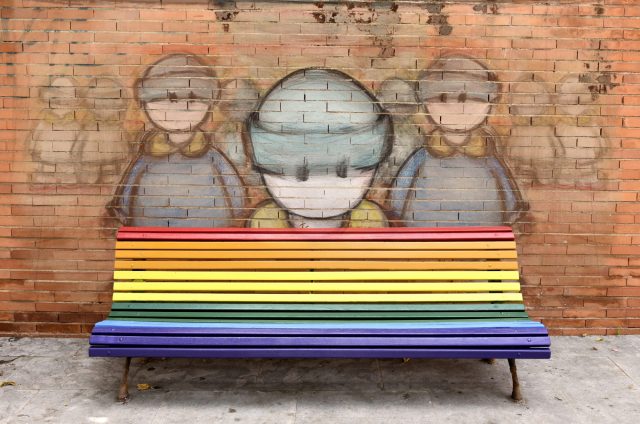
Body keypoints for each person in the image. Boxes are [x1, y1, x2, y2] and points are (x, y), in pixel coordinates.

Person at [108, 54, 245, 227]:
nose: (180, 108)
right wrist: (122, 209)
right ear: (146, 104)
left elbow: (234, 192)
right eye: (169, 100)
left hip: (209, 228)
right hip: (151, 229)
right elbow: (128, 191)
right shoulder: (147, 157)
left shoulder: (212, 157)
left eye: (192, 100)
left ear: (208, 105)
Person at [389, 55, 525, 227]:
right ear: (427, 103)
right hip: (424, 230)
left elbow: (506, 191)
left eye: (466, 98)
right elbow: (400, 191)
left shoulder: (488, 158)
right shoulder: (422, 157)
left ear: (488, 105)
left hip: (483, 232)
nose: (456, 107)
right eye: (443, 98)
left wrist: (513, 213)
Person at [246, 68, 392, 228]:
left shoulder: (372, 223)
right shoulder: (263, 224)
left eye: (343, 172)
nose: (323, 188)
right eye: (301, 174)